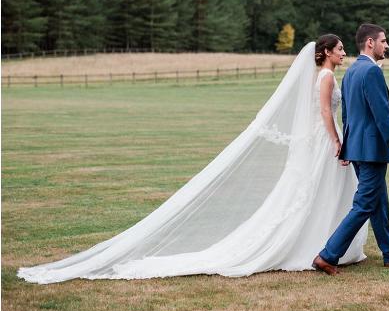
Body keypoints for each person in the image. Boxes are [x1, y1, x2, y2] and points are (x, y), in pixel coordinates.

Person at [18, 37, 367, 283]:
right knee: (312, 193)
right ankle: (312, 245)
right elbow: (323, 111)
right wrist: (336, 140)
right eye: (339, 49)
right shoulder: (324, 76)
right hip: (322, 141)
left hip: (317, 143)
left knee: (319, 192)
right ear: (325, 52)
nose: (344, 53)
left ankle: (325, 243)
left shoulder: (322, 75)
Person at [313, 23, 389, 275]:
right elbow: (381, 115)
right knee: (363, 205)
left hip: (358, 149)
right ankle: (327, 256)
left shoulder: (350, 71)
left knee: (378, 203)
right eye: (384, 41)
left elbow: (348, 115)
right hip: (371, 150)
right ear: (370, 43)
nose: (387, 45)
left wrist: (347, 147)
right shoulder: (371, 72)